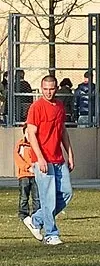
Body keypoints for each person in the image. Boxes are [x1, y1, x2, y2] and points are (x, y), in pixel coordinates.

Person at [23, 71, 73, 247]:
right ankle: (51, 234)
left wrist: (70, 154)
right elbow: (31, 134)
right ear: (41, 88)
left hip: (58, 158)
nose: (48, 92)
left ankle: (36, 220)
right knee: (48, 198)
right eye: (45, 89)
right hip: (43, 159)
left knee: (66, 193)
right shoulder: (36, 107)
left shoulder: (59, 106)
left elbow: (63, 131)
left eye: (51, 89)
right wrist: (40, 158)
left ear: (56, 88)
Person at [14, 131, 36, 224]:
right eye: (27, 132)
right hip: (24, 175)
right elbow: (18, 159)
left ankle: (36, 215)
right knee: (24, 197)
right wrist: (27, 167)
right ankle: (23, 214)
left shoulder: (36, 144)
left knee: (36, 197)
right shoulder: (21, 145)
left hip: (35, 175)